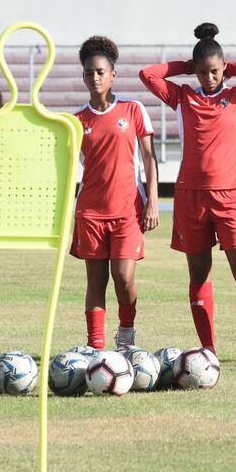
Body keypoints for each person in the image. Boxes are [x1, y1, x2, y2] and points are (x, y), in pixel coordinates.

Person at [139, 23, 236, 365]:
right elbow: (148, 75)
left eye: (215, 71)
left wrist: (232, 68)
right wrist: (187, 67)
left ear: (224, 68)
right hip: (191, 197)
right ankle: (208, 350)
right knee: (199, 274)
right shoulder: (183, 97)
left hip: (231, 196)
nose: (209, 77)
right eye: (202, 72)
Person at [70, 36, 160, 351]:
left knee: (123, 277)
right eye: (89, 73)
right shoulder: (76, 121)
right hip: (90, 212)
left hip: (128, 211)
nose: (94, 78)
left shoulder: (133, 110)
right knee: (96, 281)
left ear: (113, 75)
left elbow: (149, 158)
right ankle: (95, 347)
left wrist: (152, 201)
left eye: (100, 72)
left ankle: (126, 335)